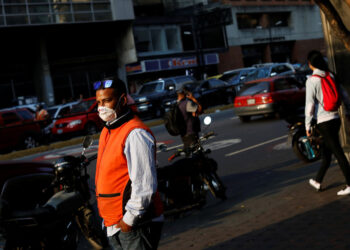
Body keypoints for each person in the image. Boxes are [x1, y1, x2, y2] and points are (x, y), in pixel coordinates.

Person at [94, 76, 163, 250]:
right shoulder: (108, 130)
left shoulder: (135, 133)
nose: (101, 107)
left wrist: (129, 219)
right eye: (98, 102)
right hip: (114, 223)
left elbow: (145, 183)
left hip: (133, 224)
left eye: (107, 100)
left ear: (123, 100)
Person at [306, 50, 350, 195]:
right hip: (336, 119)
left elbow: (310, 105)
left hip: (323, 122)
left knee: (338, 152)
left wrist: (307, 125)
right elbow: (343, 94)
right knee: (327, 152)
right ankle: (318, 181)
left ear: (311, 64)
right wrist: (348, 111)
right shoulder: (331, 75)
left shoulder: (312, 80)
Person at [176, 85, 203, 153]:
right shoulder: (187, 104)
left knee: (188, 153)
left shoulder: (176, 105)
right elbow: (200, 109)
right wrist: (193, 98)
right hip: (191, 133)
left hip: (183, 135)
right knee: (197, 154)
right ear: (184, 93)